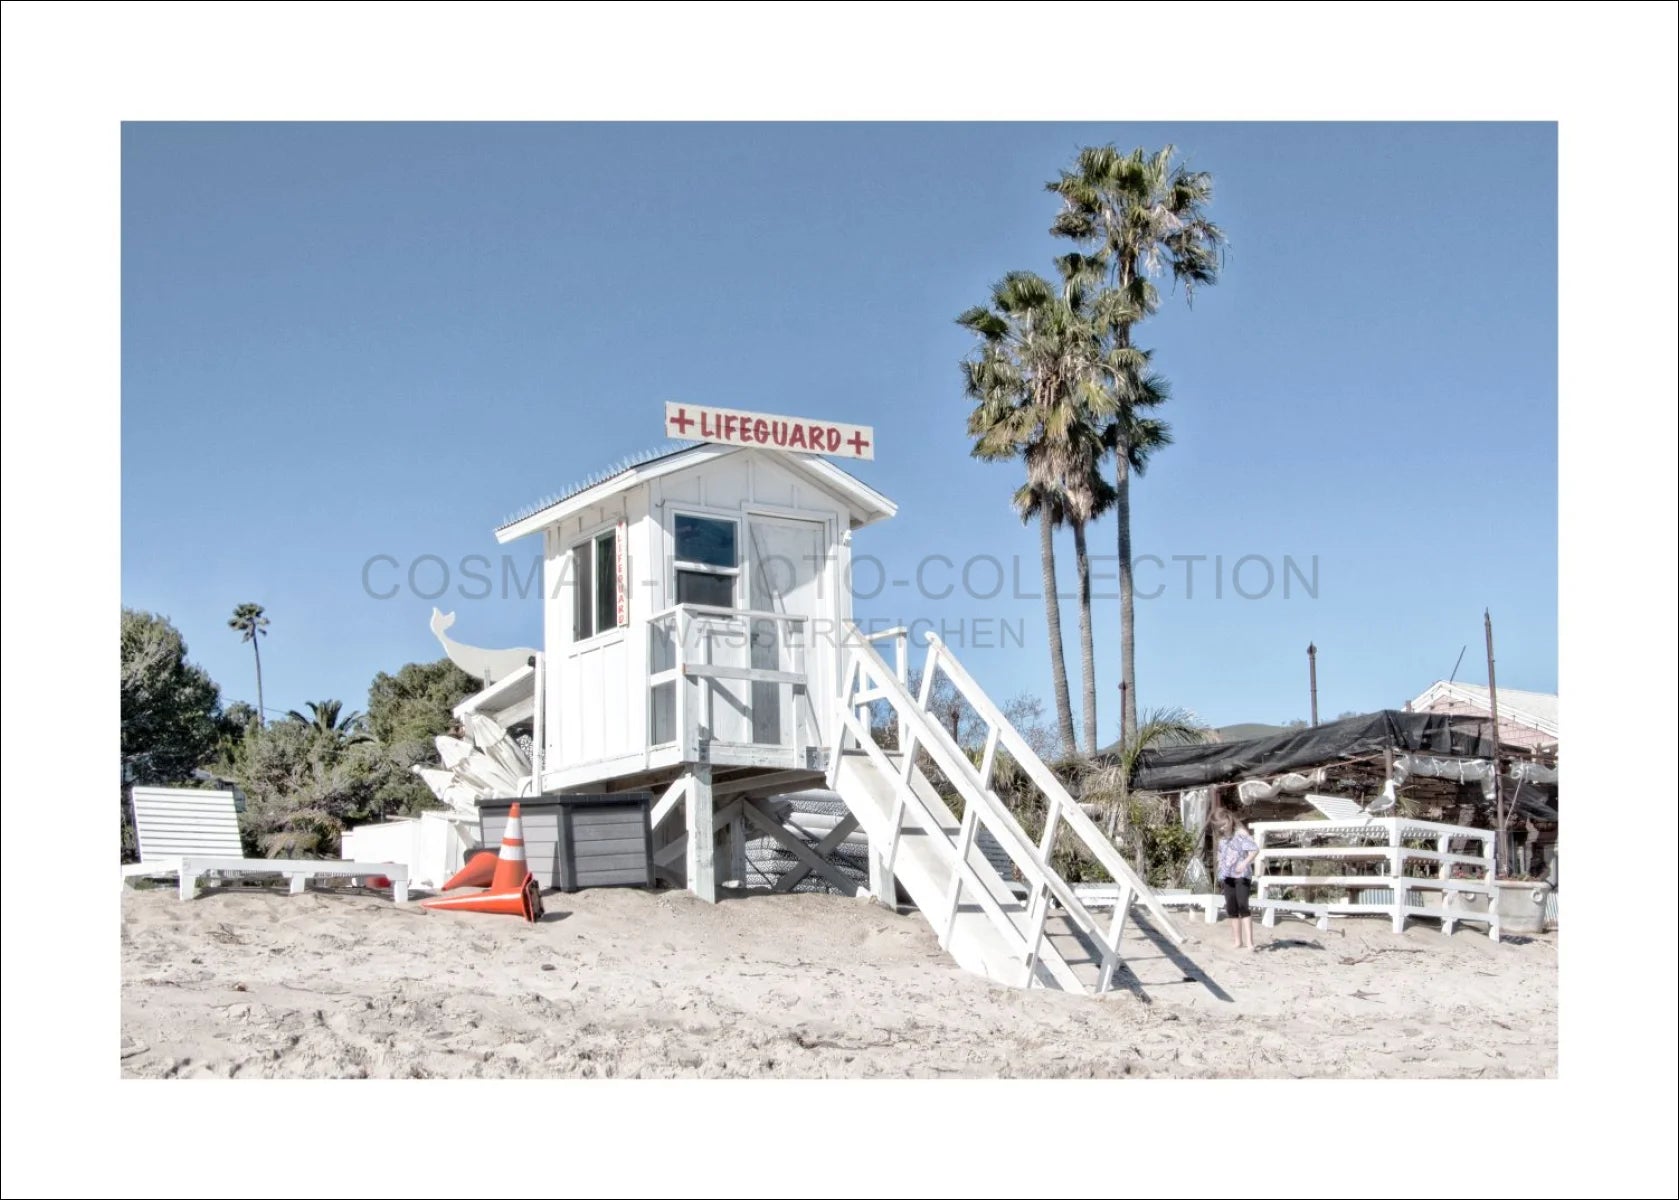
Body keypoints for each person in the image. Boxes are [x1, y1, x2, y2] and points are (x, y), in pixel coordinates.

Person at [1212, 808, 1260, 950]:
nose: (1222, 827)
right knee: (1231, 907)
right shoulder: (1221, 839)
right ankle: (1238, 941)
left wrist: (1244, 863)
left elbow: (1255, 850)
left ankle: (1250, 942)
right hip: (1227, 875)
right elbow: (1220, 855)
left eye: (1224, 824)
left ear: (1229, 819)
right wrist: (1219, 868)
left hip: (1242, 874)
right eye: (1219, 826)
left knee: (1243, 906)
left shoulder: (1241, 834)